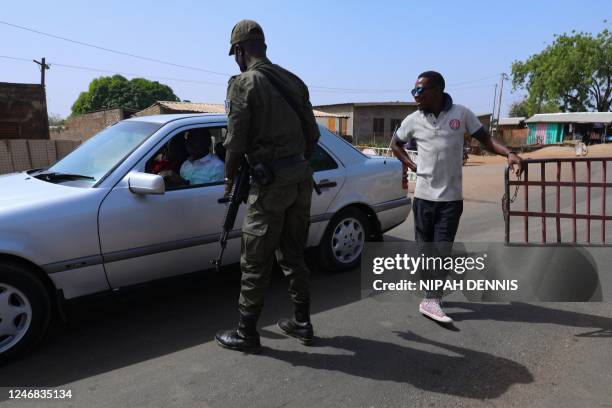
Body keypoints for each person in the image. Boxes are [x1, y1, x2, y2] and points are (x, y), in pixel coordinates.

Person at [215, 20, 320, 353]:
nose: (235, 60)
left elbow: (234, 143)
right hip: (301, 180)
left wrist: (230, 180)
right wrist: (293, 165)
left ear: (241, 50)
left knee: (255, 260)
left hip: (271, 185)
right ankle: (302, 321)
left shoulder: (243, 84)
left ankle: (247, 333)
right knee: (293, 253)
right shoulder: (293, 80)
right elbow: (313, 136)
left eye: (235, 54)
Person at [391, 71, 524, 324]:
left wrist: (509, 152)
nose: (415, 95)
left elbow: (485, 140)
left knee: (441, 250)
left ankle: (432, 299)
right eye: (414, 91)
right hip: (423, 198)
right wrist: (410, 163)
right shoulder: (413, 119)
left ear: (438, 91)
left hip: (451, 200)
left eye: (420, 91)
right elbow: (395, 144)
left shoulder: (461, 114)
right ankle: (430, 285)